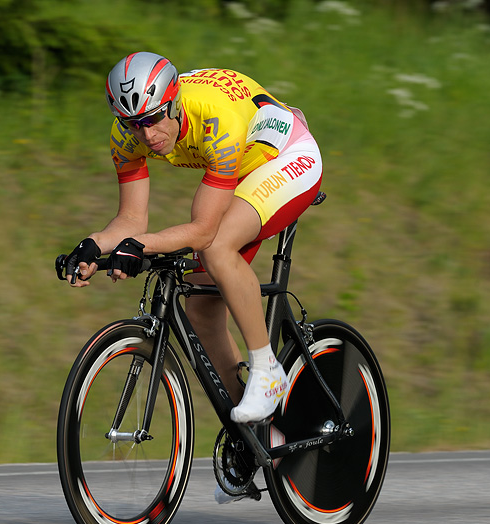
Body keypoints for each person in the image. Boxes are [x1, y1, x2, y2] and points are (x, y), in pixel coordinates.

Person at [63, 51, 322, 465]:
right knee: (201, 310)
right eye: (134, 123)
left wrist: (141, 246)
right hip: (241, 165)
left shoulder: (213, 118)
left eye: (153, 119)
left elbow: (203, 229)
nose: (146, 134)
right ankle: (260, 440)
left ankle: (268, 370)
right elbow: (131, 218)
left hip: (287, 155)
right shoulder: (127, 134)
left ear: (175, 102)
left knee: (215, 246)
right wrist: (96, 244)